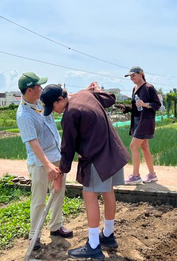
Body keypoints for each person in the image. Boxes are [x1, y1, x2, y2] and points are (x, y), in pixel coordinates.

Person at [41, 82, 130, 260]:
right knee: (108, 191)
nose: (55, 111)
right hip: (113, 151)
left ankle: (94, 245)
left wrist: (59, 175)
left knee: (90, 195)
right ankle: (108, 235)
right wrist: (96, 89)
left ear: (60, 99)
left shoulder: (71, 113)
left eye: (54, 106)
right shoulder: (85, 94)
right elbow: (110, 99)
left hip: (98, 157)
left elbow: (68, 147)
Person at [16, 72, 73, 251]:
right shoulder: (24, 115)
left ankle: (55, 226)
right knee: (39, 199)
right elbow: (34, 143)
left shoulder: (41, 102)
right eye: (39, 86)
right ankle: (35, 234)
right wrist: (48, 165)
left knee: (58, 192)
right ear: (30, 90)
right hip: (40, 163)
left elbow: (62, 98)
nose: (42, 88)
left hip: (56, 155)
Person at [117, 66, 161, 184]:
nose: (131, 78)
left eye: (133, 75)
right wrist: (126, 108)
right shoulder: (134, 89)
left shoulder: (149, 88)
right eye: (130, 76)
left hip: (145, 121)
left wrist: (146, 104)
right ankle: (152, 174)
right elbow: (137, 107)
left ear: (141, 74)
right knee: (144, 147)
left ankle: (136, 176)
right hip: (137, 120)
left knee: (133, 146)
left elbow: (157, 104)